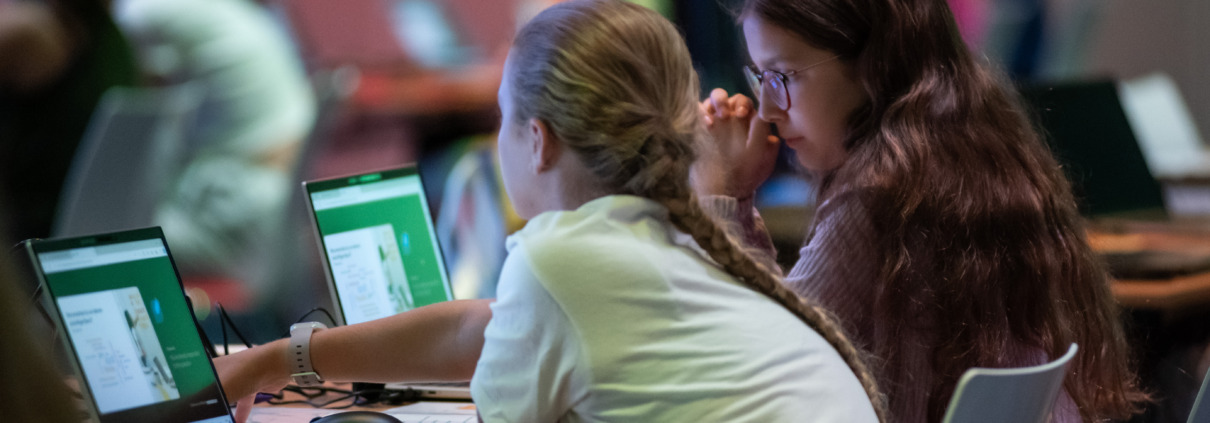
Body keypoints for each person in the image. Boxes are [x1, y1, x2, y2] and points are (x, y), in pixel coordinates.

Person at [216, 1, 885, 421]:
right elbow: (483, 330)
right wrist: (278, 358)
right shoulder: (676, 237)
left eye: (506, 120)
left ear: (537, 141)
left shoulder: (562, 257)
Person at [693, 0, 1149, 421]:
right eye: (760, 78)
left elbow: (753, 369)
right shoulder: (988, 155)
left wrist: (725, 194)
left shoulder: (874, 200)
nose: (768, 109)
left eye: (784, 76)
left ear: (872, 64)